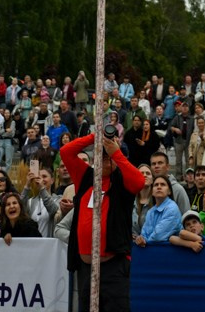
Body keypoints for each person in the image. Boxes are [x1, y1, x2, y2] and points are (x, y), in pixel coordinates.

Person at [60, 132, 145, 312]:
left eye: (108, 157)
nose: (105, 160)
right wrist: (95, 136)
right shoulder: (85, 176)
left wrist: (115, 152)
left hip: (113, 267)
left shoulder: (121, 181)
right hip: (85, 268)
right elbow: (66, 151)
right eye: (101, 155)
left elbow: (139, 181)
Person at [134, 174, 182, 245]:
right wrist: (140, 239)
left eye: (163, 184)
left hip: (171, 252)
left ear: (169, 191)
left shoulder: (172, 208)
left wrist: (145, 242)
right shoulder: (150, 211)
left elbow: (158, 236)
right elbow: (144, 234)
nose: (159, 187)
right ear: (152, 192)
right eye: (156, 185)